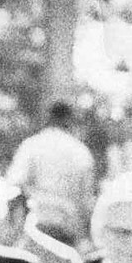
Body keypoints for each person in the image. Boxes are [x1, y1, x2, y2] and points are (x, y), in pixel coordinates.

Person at [6, 100, 98, 245]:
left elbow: (14, 186)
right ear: (70, 120)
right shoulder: (81, 151)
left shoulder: (32, 145)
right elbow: (87, 201)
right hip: (68, 228)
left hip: (37, 223)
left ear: (47, 118)